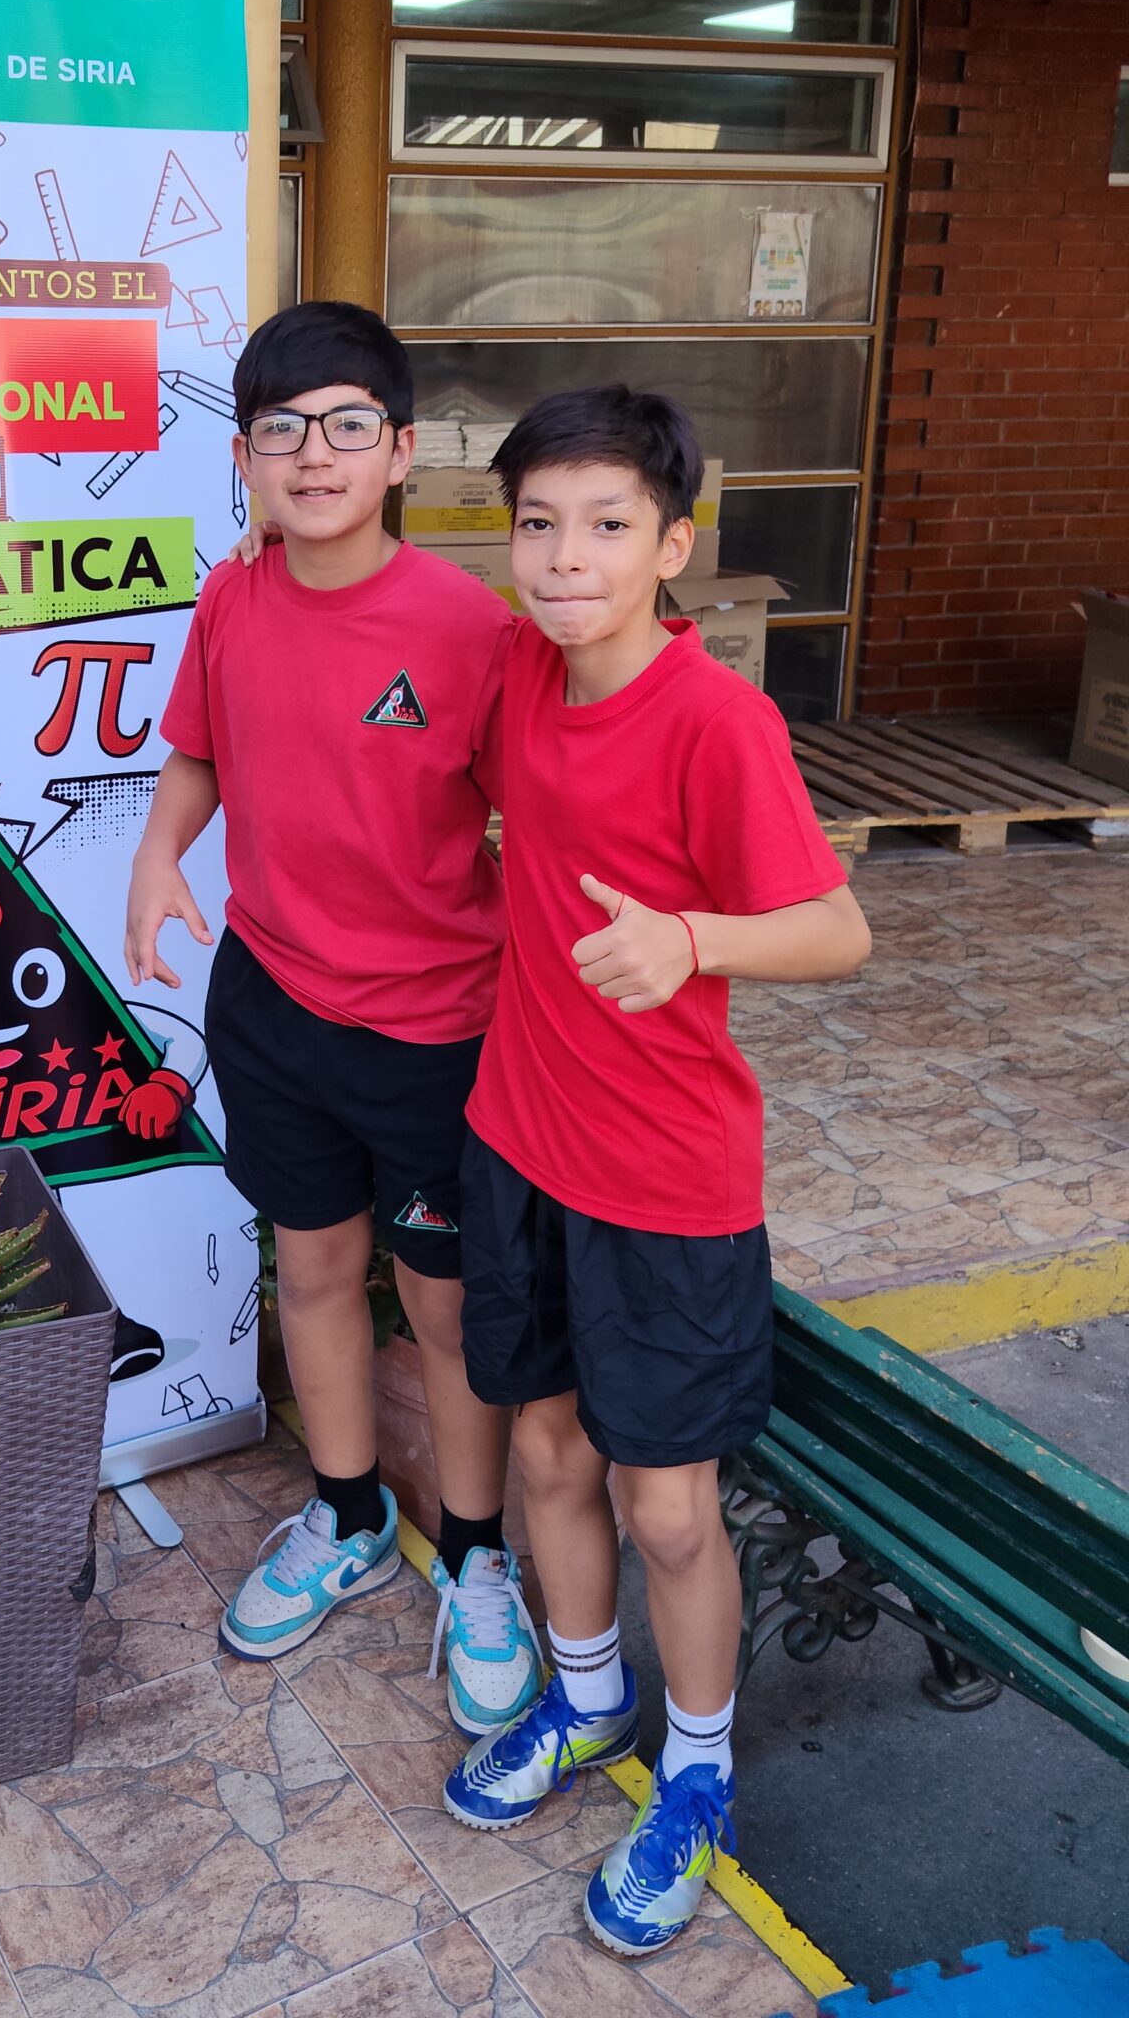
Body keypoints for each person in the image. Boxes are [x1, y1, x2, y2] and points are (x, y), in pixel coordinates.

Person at [440, 384, 871, 1959]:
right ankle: (586, 1700)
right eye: (538, 524)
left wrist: (691, 940)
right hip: (518, 1137)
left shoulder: (716, 722)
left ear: (673, 545)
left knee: (670, 1508)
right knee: (548, 1452)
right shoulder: (519, 671)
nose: (568, 557)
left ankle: (697, 1774)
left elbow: (839, 930)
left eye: (609, 526)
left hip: (667, 1180)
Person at [124, 300, 544, 1733]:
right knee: (310, 1269)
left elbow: (544, 816)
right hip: (272, 1002)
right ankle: (350, 1513)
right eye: (283, 429)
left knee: (443, 1301)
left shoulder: (471, 629)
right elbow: (200, 752)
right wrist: (160, 857)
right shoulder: (232, 599)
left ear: (402, 452)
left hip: (435, 1032)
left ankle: (476, 1555)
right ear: (245, 458)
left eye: (348, 425)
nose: (315, 454)